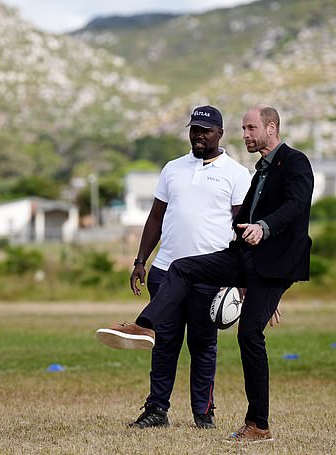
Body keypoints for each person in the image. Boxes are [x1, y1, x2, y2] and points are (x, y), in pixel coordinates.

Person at [98, 105, 313, 442]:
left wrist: (264, 239)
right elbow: (240, 228)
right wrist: (142, 260)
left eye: (251, 128)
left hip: (268, 266)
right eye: (243, 128)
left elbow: (296, 206)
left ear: (271, 127)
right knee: (182, 274)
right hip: (225, 262)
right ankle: (144, 327)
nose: (246, 135)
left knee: (237, 338)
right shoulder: (260, 172)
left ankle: (245, 421)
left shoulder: (290, 163)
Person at [96, 105, 251, 429]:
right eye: (194, 129)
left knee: (203, 346)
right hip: (166, 271)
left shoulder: (236, 173)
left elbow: (242, 227)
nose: (198, 135)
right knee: (162, 345)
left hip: (210, 274)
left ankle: (203, 413)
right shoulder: (172, 169)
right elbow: (155, 217)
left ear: (220, 133)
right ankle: (156, 411)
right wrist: (141, 261)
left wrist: (243, 277)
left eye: (206, 130)